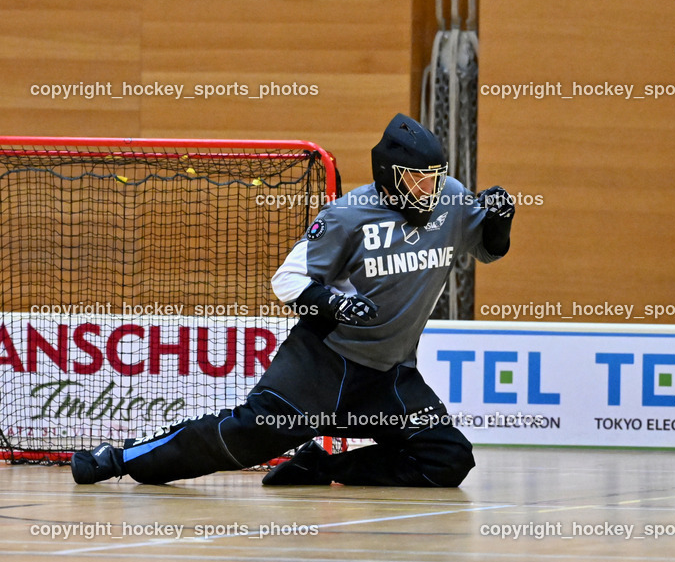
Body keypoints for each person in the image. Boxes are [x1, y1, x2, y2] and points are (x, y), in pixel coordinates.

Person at [71, 113, 515, 488]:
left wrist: (500, 220)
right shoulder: (347, 216)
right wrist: (335, 305)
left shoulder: (451, 200)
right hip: (320, 365)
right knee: (246, 436)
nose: (430, 191)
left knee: (448, 457)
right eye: (418, 181)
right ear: (388, 176)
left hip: (388, 377)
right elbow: (287, 280)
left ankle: (320, 466)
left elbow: (489, 250)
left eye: (435, 179)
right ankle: (119, 459)